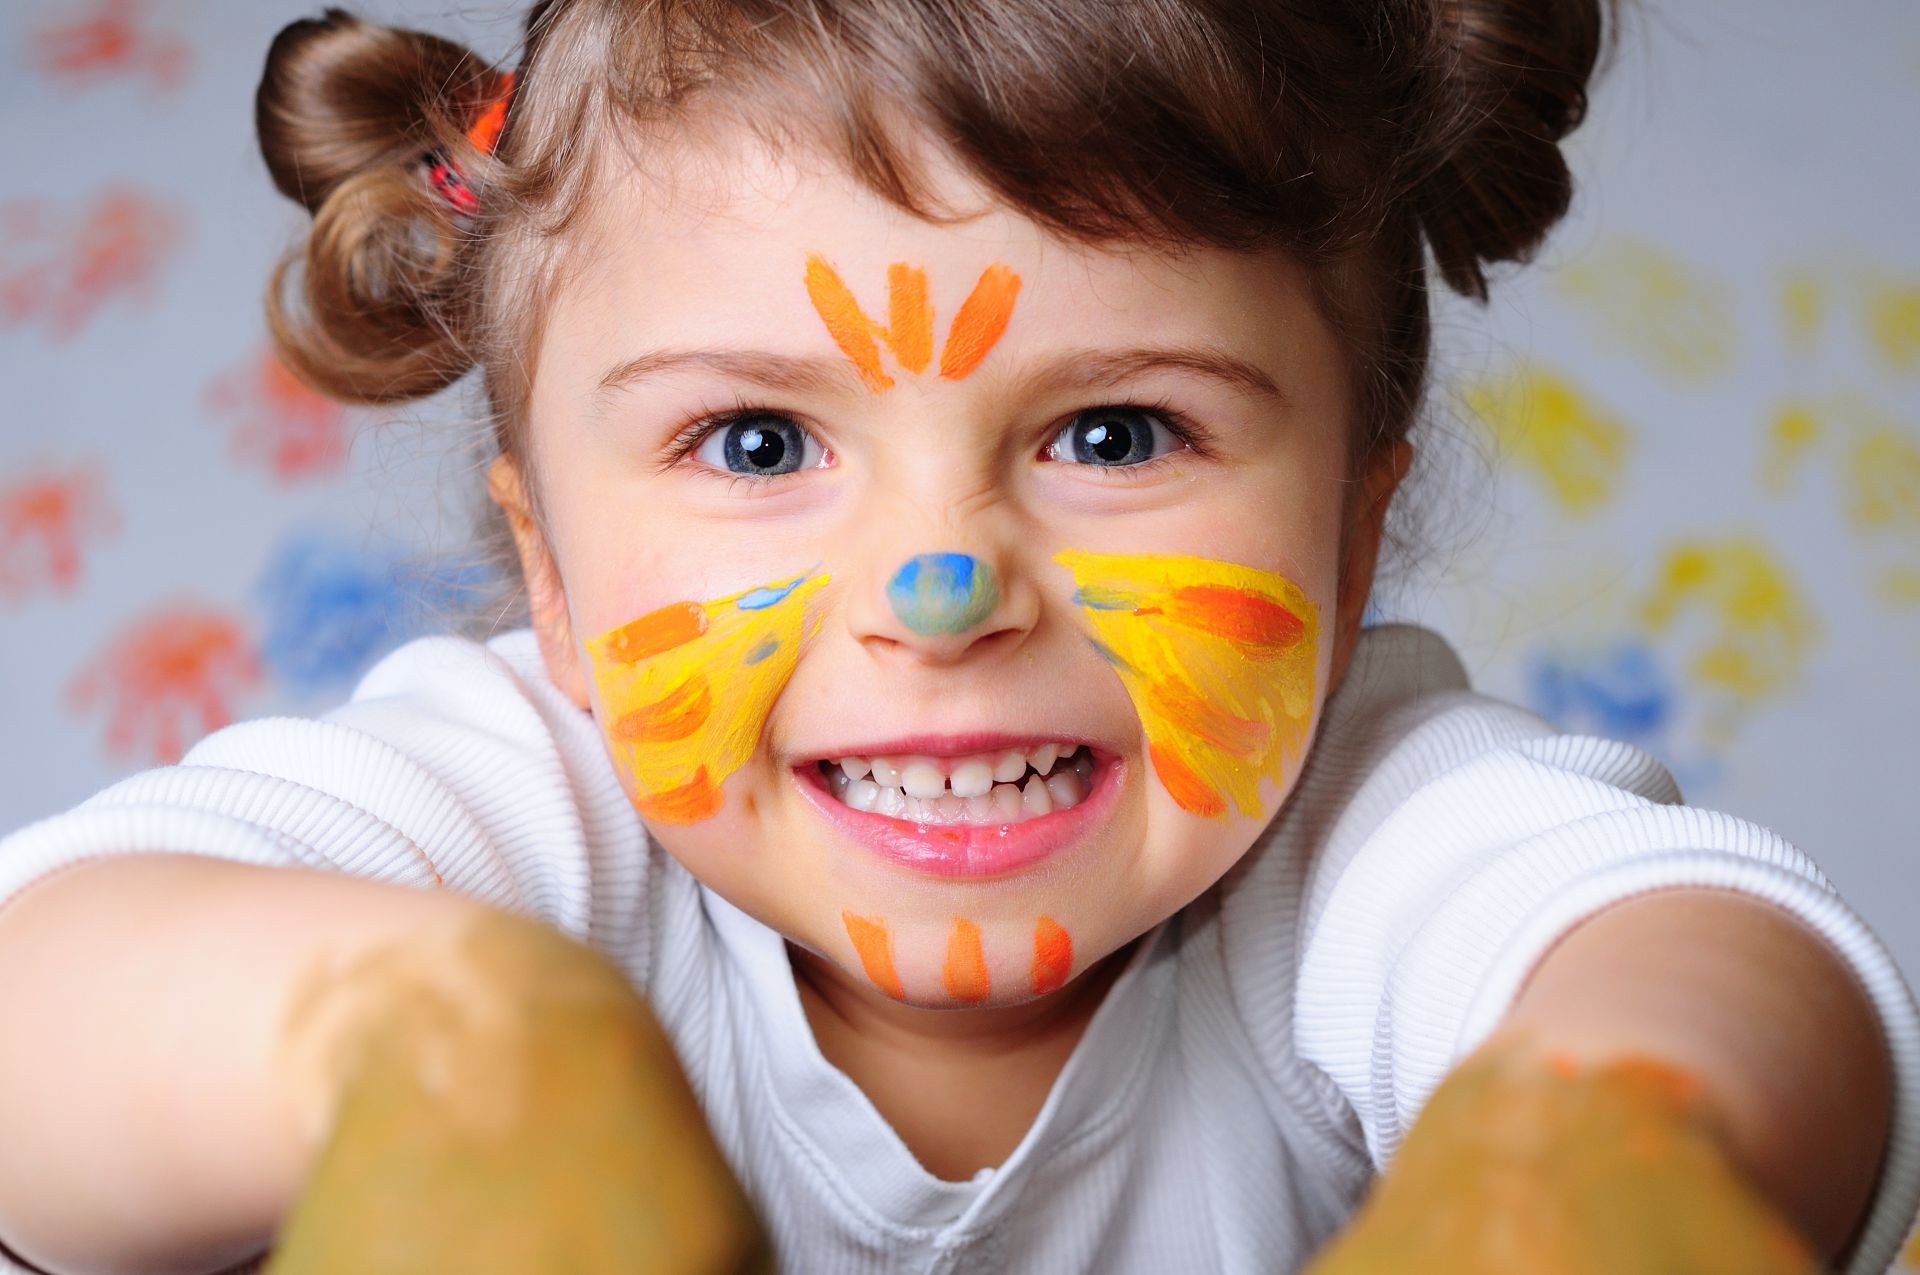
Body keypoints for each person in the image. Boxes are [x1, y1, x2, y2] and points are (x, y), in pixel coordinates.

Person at [0, 2, 1913, 1272]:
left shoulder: (1358, 836)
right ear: (556, 583)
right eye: (755, 442)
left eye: (1114, 433)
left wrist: (1604, 1135)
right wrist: (450, 1045)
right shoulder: (527, 827)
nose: (943, 586)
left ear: (1354, 527)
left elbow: (1681, 945)